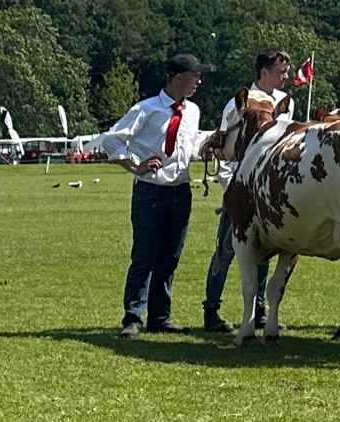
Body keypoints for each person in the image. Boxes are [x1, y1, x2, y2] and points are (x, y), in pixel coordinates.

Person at [98, 54, 208, 336]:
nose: (199, 81)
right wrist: (136, 166)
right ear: (176, 77)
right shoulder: (146, 109)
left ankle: (160, 316)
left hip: (180, 191)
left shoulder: (193, 111)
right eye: (194, 76)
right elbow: (112, 139)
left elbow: (191, 145)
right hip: (151, 191)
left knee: (170, 257)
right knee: (144, 255)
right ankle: (133, 317)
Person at [204, 50, 293, 333]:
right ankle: (212, 309)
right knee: (226, 250)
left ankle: (260, 311)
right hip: (240, 187)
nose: (286, 76)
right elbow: (224, 146)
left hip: (267, 190)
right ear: (264, 72)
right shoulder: (239, 102)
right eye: (281, 71)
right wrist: (230, 187)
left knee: (266, 250)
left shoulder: (285, 104)